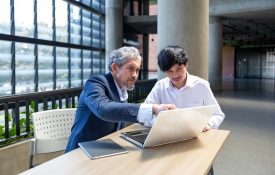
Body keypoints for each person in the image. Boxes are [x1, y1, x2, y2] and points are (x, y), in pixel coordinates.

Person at [65, 46, 175, 153]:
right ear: (114, 67)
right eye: (131, 68)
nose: (135, 75)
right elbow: (103, 109)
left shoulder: (122, 91)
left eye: (137, 70)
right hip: (81, 151)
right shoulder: (96, 83)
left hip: (105, 148)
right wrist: (153, 109)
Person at [144, 45, 225, 132]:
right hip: (168, 135)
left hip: (195, 135)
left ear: (186, 65)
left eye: (179, 69)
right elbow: (145, 112)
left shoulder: (201, 85)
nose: (175, 75)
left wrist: (208, 124)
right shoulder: (160, 86)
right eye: (170, 71)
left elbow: (217, 114)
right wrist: (158, 120)